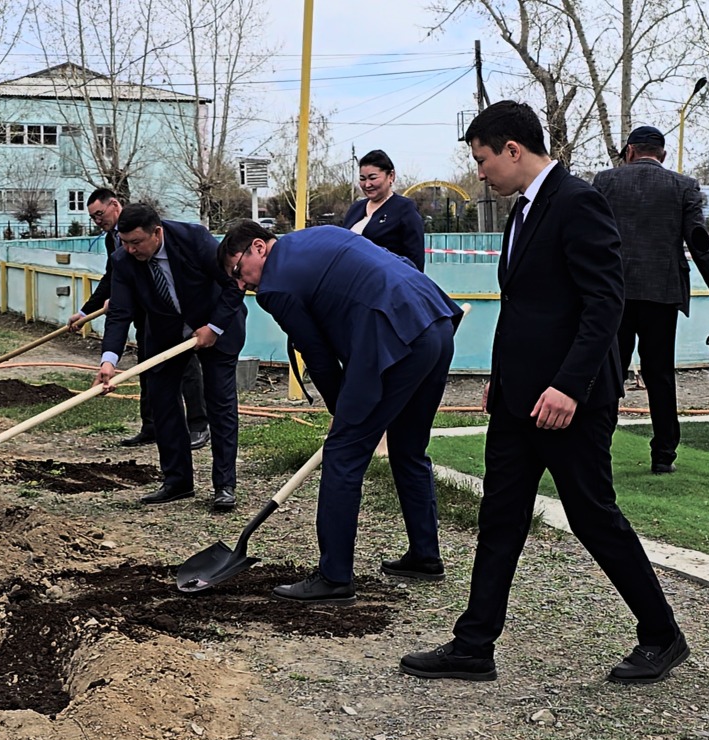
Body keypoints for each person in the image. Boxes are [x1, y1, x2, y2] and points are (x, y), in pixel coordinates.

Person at [400, 101, 688, 684]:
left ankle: (662, 634)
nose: (479, 172)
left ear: (513, 149)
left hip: (568, 402)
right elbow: (527, 309)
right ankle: (474, 643)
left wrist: (568, 386)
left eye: (482, 159)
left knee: (592, 516)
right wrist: (499, 378)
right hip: (517, 400)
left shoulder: (578, 202)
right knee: (500, 512)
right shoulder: (523, 213)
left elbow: (605, 303)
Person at [217, 221, 462, 604]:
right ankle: (424, 556)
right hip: (435, 321)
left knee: (343, 455)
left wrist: (341, 413)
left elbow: (317, 354)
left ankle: (334, 577)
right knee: (409, 448)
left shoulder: (275, 287)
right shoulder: (320, 234)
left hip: (396, 338)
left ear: (259, 247)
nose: (242, 285)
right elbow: (395, 261)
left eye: (238, 271)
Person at [592, 125, 709, 474]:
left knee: (608, 373)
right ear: (662, 156)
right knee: (660, 374)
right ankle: (663, 456)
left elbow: (587, 239)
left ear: (629, 151)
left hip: (611, 296)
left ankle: (597, 447)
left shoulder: (603, 183)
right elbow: (700, 243)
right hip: (661, 297)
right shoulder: (682, 187)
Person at [93, 203, 245, 512]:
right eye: (125, 242)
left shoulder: (194, 239)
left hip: (217, 324)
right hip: (165, 333)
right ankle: (178, 482)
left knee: (220, 401)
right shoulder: (123, 260)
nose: (130, 249)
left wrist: (213, 327)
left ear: (157, 233)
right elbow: (120, 314)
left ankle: (224, 485)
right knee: (162, 400)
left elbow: (232, 285)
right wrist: (109, 361)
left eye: (136, 242)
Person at [71, 189, 211, 450]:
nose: (97, 221)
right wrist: (86, 315)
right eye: (92, 217)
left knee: (187, 370)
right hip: (148, 318)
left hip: (184, 319)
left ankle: (198, 425)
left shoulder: (173, 234)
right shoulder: (115, 243)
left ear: (115, 205)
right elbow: (113, 281)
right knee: (149, 370)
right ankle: (152, 426)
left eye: (99, 214)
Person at [342, 150, 425, 271]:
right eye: (362, 179)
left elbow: (415, 259)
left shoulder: (405, 209)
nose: (367, 184)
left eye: (373, 178)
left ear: (391, 176)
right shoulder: (355, 209)